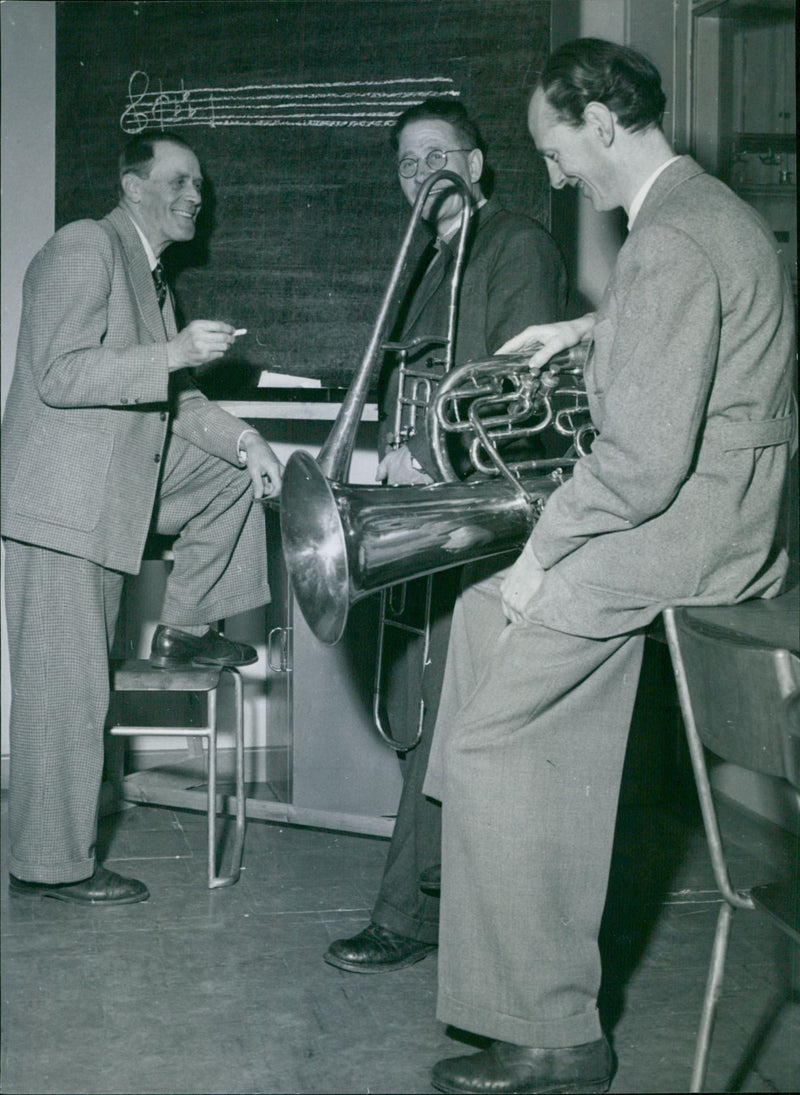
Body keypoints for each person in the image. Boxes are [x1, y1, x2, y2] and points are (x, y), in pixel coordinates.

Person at [423, 39, 797, 1094]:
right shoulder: (696, 213)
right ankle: (503, 870)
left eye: (552, 150)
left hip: (692, 524)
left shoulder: (668, 238)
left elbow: (637, 466)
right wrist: (584, 332)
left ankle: (552, 1029)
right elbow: (688, 336)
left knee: (497, 732)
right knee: (483, 617)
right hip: (709, 508)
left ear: (600, 124)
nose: (549, 173)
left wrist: (547, 549)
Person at [2, 131, 283, 906]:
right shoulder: (84, 245)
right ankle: (49, 866)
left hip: (114, 493)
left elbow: (177, 404)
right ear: (132, 186)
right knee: (68, 696)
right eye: (180, 180)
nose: (197, 196)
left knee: (233, 474)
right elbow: (57, 373)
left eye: (199, 184)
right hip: (61, 508)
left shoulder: (153, 281)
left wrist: (248, 439)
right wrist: (173, 353)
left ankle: (186, 626)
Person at [324, 99, 567, 973]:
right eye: (404, 164)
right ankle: (434, 902)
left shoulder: (516, 244)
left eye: (436, 155)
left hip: (486, 521)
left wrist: (431, 457)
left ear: (477, 162)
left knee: (446, 728)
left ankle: (407, 912)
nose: (419, 173)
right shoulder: (428, 260)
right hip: (436, 515)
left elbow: (516, 390)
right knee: (424, 717)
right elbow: (419, 379)